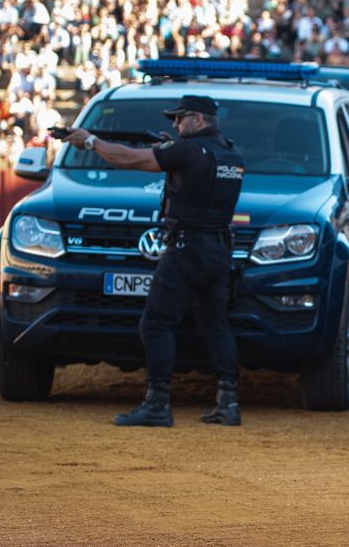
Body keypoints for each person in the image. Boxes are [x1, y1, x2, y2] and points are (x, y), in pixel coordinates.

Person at [64, 95, 245, 427]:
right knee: (216, 324)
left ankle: (157, 403)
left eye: (180, 119)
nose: (175, 125)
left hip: (186, 247)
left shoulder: (188, 151)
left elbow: (130, 160)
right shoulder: (231, 152)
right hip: (219, 250)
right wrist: (170, 149)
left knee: (156, 323)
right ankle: (228, 402)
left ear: (199, 120)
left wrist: (90, 141)